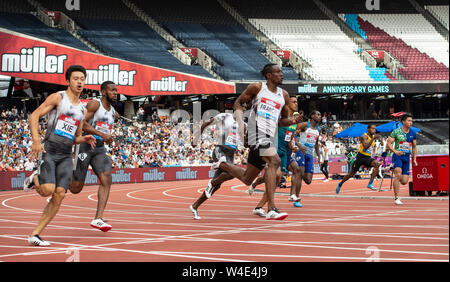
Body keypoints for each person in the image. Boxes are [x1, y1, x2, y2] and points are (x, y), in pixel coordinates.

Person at [213, 64, 302, 220]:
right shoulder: (257, 87)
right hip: (255, 131)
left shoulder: (284, 95)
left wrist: (293, 120)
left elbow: (282, 121)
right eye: (278, 72)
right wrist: (241, 123)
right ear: (268, 75)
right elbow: (238, 104)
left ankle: (223, 164)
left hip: (269, 136)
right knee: (274, 161)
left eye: (281, 72)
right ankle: (271, 208)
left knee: (248, 178)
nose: (282, 74)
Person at [23, 65, 96, 246]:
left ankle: (35, 235)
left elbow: (74, 137)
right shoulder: (58, 98)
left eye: (82, 79)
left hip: (65, 156)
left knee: (60, 194)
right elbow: (34, 116)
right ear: (68, 81)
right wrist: (36, 140)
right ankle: (35, 177)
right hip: (49, 151)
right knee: (47, 190)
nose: (80, 82)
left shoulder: (81, 110)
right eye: (76, 78)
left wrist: (84, 138)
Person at [69, 81, 119, 231]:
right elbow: (81, 123)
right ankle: (55, 174)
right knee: (75, 188)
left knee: (106, 177)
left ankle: (98, 218)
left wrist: (106, 137)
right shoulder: (94, 104)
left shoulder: (113, 112)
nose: (115, 93)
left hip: (99, 148)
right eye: (112, 90)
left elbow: (106, 127)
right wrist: (102, 134)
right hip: (85, 144)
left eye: (116, 90)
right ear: (103, 92)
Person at [248, 101, 305, 210]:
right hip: (273, 149)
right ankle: (262, 203)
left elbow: (289, 138)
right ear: (287, 106)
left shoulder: (294, 124)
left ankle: (262, 206)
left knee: (277, 177)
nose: (296, 103)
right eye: (293, 101)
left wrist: (292, 147)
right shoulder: (281, 118)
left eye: (297, 102)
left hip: (284, 151)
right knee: (271, 178)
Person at [189, 112, 245, 219]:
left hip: (230, 155)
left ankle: (195, 206)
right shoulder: (225, 116)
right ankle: (218, 165)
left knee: (218, 184)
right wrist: (196, 138)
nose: (244, 109)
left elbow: (246, 141)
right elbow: (206, 124)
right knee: (227, 167)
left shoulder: (243, 124)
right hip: (220, 150)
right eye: (242, 106)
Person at [335, 124, 382, 194]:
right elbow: (365, 146)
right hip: (360, 157)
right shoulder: (364, 136)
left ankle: (370, 183)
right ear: (368, 129)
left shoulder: (373, 137)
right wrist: (373, 138)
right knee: (351, 174)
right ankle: (340, 183)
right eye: (372, 129)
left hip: (368, 157)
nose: (374, 130)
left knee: (376, 164)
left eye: (375, 129)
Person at [290, 110, 322, 204]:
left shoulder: (318, 129)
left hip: (310, 154)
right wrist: (298, 145)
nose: (319, 117)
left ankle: (294, 177)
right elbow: (291, 132)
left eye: (320, 115)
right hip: (300, 151)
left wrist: (319, 156)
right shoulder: (305, 125)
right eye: (318, 114)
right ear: (312, 116)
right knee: (299, 173)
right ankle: (296, 198)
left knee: (308, 180)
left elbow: (316, 144)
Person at [386, 114, 417, 205]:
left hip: (406, 157)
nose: (410, 122)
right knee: (398, 174)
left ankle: (396, 176)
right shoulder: (396, 132)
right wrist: (395, 151)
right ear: (403, 122)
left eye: (411, 121)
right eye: (409, 121)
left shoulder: (413, 133)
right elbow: (388, 144)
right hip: (397, 156)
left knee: (404, 181)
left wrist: (414, 159)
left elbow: (414, 147)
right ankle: (396, 197)